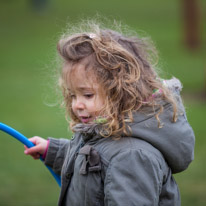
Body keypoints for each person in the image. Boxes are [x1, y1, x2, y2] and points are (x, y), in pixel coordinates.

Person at [24, 21, 195, 206]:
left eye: (87, 95)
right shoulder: (110, 132)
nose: (76, 105)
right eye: (73, 95)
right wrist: (53, 151)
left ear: (120, 92)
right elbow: (96, 164)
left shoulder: (132, 156)